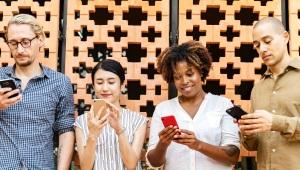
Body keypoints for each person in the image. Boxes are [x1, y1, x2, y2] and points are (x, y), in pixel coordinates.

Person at [146, 40, 240, 170]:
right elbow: (154, 162)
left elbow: (233, 155)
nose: (184, 81)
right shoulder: (163, 109)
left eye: (190, 74)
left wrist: (198, 145)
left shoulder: (223, 105)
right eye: (177, 77)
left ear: (201, 72)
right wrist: (162, 144)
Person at [0, 14, 75, 169]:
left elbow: (66, 131)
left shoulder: (60, 83)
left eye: (25, 42)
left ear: (40, 39)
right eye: (13, 43)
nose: (19, 50)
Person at [238, 17, 300, 169]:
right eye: (257, 45)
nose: (262, 49)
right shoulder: (258, 88)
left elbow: (274, 123)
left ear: (285, 37)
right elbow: (253, 146)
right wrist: (248, 133)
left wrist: (275, 123)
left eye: (267, 41)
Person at [74, 59, 147, 170]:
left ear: (122, 85)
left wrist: (119, 130)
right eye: (99, 82)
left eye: (111, 82)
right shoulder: (81, 122)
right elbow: (85, 167)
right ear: (93, 86)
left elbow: (131, 165)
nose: (105, 88)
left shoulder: (138, 121)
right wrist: (92, 135)